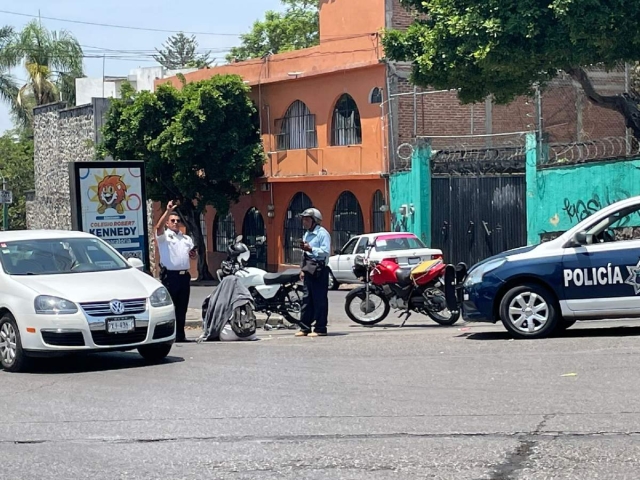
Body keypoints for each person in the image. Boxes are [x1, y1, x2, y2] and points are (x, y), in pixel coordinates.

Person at [155, 200, 197, 343]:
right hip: (170, 276)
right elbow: (158, 227)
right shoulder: (164, 237)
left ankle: (180, 335)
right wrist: (167, 211)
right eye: (172, 220)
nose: (175, 223)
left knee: (182, 307)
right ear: (168, 223)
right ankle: (169, 334)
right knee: (170, 307)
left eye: (178, 220)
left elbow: (193, 256)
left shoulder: (186, 239)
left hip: (184, 276)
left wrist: (193, 256)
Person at [296, 207, 331, 337]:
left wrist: (311, 249)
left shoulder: (322, 234)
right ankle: (304, 328)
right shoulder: (306, 234)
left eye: (307, 219)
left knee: (319, 299)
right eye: (303, 219)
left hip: (320, 269)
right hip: (308, 269)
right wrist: (302, 269)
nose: (304, 222)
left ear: (314, 220)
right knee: (306, 299)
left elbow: (325, 252)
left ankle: (320, 328)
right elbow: (304, 254)